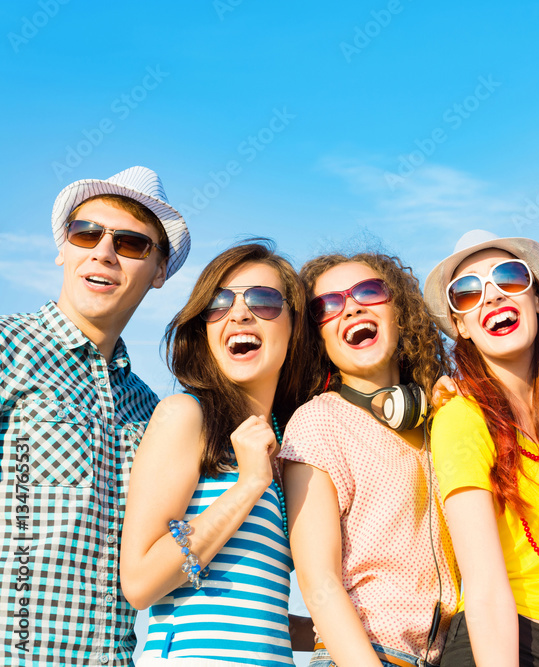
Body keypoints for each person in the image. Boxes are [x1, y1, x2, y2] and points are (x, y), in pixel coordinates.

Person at [0, 166, 189, 666]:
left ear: (160, 271)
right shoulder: (7, 347)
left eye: (130, 244)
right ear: (64, 247)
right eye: (87, 233)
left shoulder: (152, 412)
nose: (102, 251)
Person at [120, 241, 312, 665]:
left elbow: (253, 606)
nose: (239, 314)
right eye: (219, 303)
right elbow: (139, 582)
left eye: (263, 301)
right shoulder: (186, 416)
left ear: (295, 326)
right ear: (204, 328)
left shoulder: (288, 443)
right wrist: (247, 487)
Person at [423, 230, 539, 667]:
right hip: (501, 647)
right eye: (466, 293)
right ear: (460, 325)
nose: (492, 297)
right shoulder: (461, 414)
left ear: (537, 298)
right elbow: (482, 582)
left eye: (509, 277)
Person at [280, 252, 460, 667]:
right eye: (327, 305)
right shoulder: (319, 422)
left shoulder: (442, 422)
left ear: (401, 311)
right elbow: (318, 581)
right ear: (316, 336)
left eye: (369, 291)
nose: (353, 306)